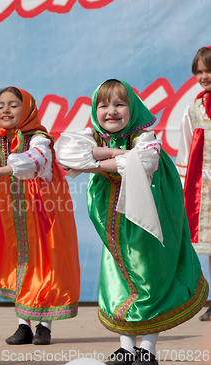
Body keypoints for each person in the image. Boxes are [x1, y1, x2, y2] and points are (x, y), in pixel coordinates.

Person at [56, 79, 209, 365]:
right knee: (118, 282)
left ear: (133, 108)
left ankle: (147, 349)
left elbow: (143, 162)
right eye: (103, 105)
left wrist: (97, 162)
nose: (110, 111)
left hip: (146, 224)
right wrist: (115, 154)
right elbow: (68, 154)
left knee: (151, 280)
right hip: (112, 229)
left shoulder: (145, 137)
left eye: (119, 104)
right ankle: (126, 348)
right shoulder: (94, 137)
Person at [0, 87, 80, 346]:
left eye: (13, 105)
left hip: (41, 211)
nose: (5, 110)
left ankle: (44, 326)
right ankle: (23, 325)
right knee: (16, 262)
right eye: (0, 105)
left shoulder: (38, 137)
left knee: (45, 264)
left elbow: (35, 161)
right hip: (7, 212)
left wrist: (2, 172)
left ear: (28, 109)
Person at [175, 46, 211, 321]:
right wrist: (181, 181)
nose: (203, 76)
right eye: (199, 71)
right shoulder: (194, 108)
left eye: (208, 70)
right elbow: (187, 148)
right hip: (206, 187)